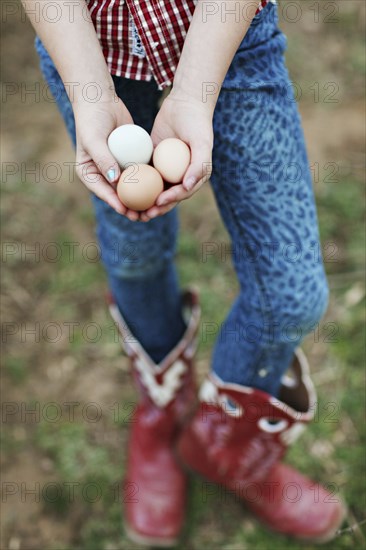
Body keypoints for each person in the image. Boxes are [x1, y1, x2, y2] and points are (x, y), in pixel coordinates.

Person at [23, 0, 346, 546]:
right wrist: (92, 94)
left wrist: (194, 92)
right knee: (135, 253)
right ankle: (163, 412)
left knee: (290, 291)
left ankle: (223, 443)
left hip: (231, 39)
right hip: (92, 59)